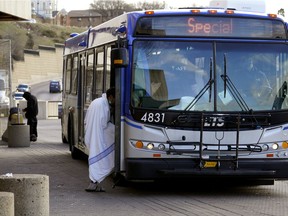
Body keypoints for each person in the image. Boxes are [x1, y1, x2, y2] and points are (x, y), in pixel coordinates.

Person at [84, 87, 115, 192]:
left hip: (92, 133)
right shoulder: (103, 105)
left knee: (95, 156)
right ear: (111, 97)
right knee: (101, 159)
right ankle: (93, 182)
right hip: (98, 136)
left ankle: (95, 183)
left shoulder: (97, 102)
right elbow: (103, 123)